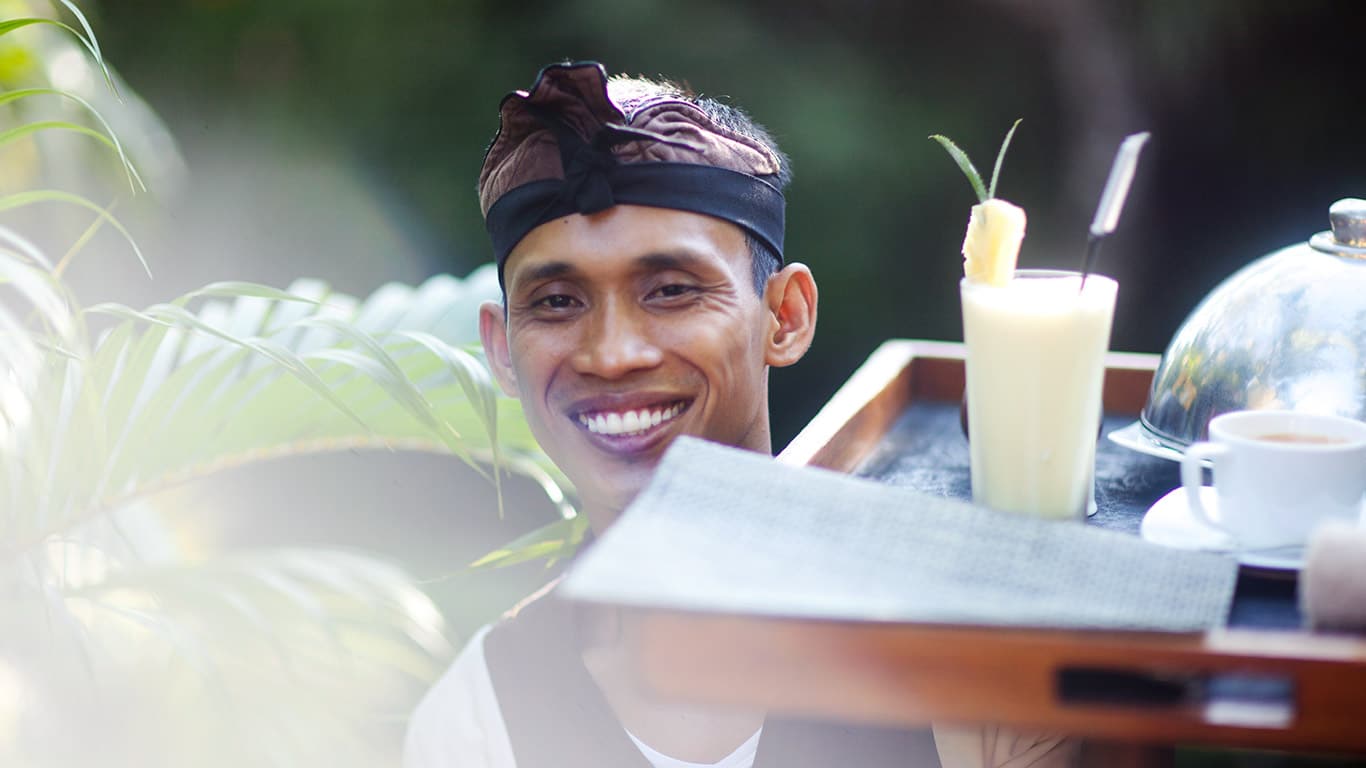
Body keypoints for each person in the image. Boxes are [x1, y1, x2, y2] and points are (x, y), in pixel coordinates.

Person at [405, 61, 1075, 768]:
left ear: (785, 316)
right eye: (557, 302)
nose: (612, 355)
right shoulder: (478, 719)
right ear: (503, 350)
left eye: (671, 290)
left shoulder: (968, 656)